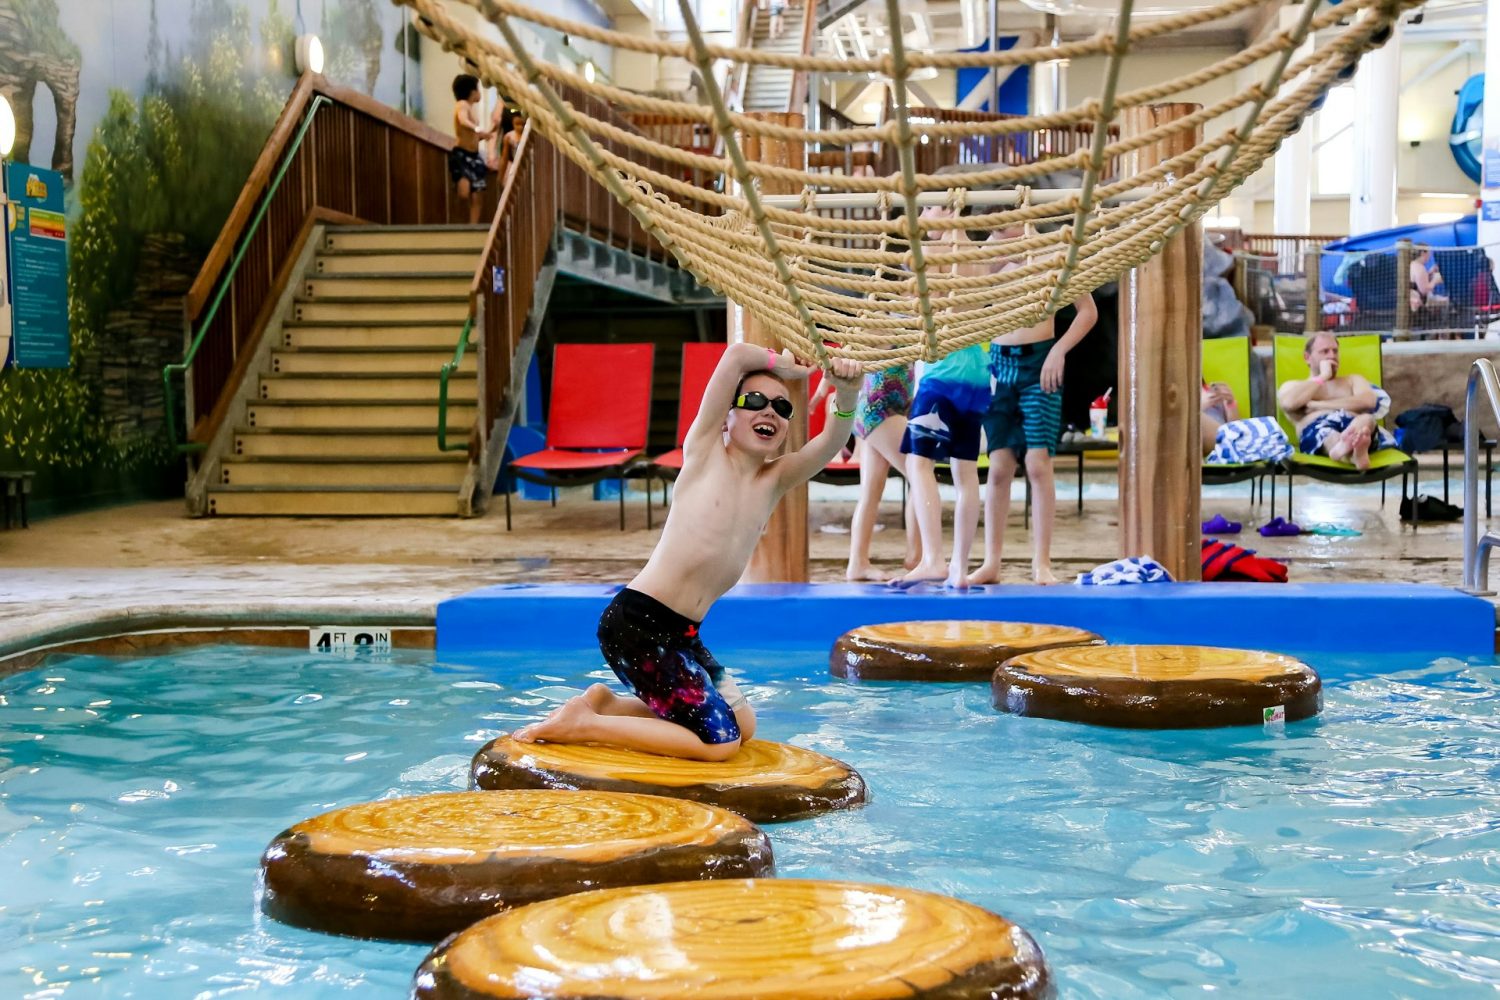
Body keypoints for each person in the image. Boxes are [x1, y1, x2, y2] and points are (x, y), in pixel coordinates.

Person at [515, 344, 863, 761]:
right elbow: (735, 357)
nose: (768, 411)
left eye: (781, 408)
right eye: (753, 401)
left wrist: (847, 393)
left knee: (745, 725)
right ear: (726, 419)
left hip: (683, 633)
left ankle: (606, 704)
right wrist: (781, 366)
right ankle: (585, 724)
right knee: (720, 744)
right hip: (638, 624)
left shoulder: (773, 481)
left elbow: (830, 443)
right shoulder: (705, 453)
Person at [967, 284, 1097, 586]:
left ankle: (1042, 563)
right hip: (998, 363)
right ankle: (991, 562)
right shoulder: (989, 256)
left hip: (1040, 363)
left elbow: (1088, 311)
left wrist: (1059, 350)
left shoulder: (1048, 254)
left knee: (1038, 464)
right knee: (999, 468)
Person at [895, 213, 995, 588]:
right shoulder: (980, 256)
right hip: (977, 375)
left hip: (942, 374)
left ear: (948, 209)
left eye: (927, 211)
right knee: (965, 472)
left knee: (917, 462)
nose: (919, 218)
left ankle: (934, 559)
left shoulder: (929, 254)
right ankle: (959, 568)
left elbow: (909, 292)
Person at [842, 362, 921, 581]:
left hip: (886, 408)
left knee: (871, 491)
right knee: (922, 478)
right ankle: (917, 556)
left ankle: (858, 563)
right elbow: (858, 348)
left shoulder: (908, 328)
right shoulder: (880, 329)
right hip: (878, 411)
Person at [1277, 332, 1383, 471]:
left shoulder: (1353, 380)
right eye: (1324, 351)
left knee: (1366, 419)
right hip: (1319, 431)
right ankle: (1353, 454)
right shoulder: (1294, 386)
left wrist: (1318, 405)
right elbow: (1288, 403)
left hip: (1356, 428)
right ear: (1307, 357)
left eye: (1335, 351)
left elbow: (1369, 401)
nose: (1332, 356)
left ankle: (1350, 450)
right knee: (1327, 433)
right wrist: (1323, 376)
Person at [449, 74, 492, 225]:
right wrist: (478, 128)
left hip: (474, 155)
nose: (479, 92)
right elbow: (463, 120)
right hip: (462, 155)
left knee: (478, 194)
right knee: (464, 193)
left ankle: (473, 225)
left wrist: (482, 136)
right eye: (478, 89)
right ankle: (459, 222)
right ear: (472, 91)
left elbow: (472, 135)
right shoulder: (462, 105)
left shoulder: (472, 108)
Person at [1200, 380, 1240, 457]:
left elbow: (1236, 429)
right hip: (1213, 445)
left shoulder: (1211, 390)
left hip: (1229, 441)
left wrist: (1230, 403)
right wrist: (1198, 407)